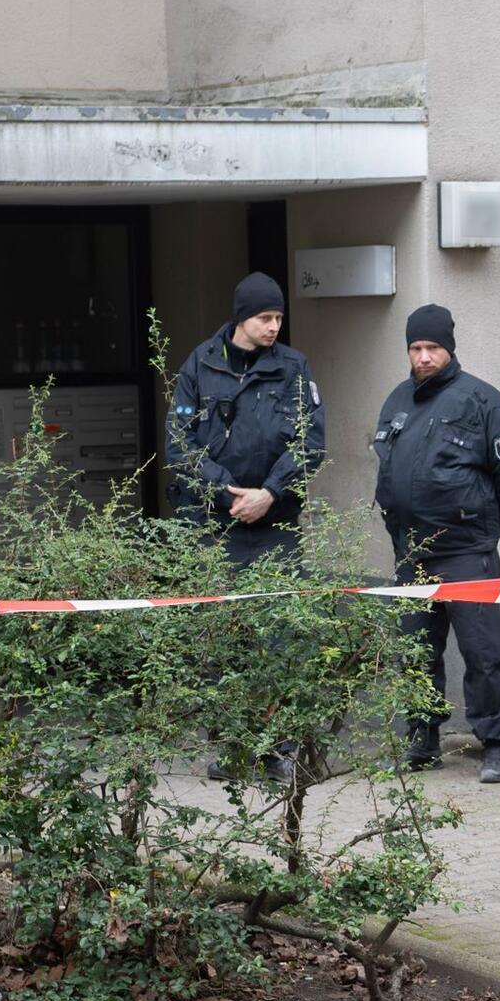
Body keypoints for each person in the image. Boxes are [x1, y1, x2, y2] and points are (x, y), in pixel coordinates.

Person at [165, 271, 326, 782]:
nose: (274, 326)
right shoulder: (200, 364)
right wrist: (225, 492)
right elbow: (179, 445)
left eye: (279, 317)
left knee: (278, 639)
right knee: (224, 644)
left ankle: (278, 752)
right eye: (265, 318)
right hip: (217, 527)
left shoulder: (294, 368)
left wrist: (269, 494)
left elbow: (310, 443)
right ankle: (235, 749)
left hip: (274, 526)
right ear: (242, 318)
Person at [372, 304, 500, 783]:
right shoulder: (397, 401)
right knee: (417, 650)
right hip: (412, 553)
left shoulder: (484, 402)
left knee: (483, 652)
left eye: (432, 348)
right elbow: (387, 473)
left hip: (467, 551)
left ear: (449, 348)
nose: (423, 358)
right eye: (416, 349)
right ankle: (423, 739)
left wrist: (483, 532)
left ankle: (496, 745)